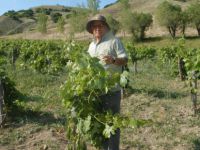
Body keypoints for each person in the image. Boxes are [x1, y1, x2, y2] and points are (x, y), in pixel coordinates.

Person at [86, 14, 128, 150]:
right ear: (92, 29)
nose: (97, 28)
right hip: (95, 93)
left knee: (113, 124)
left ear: (105, 27)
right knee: (100, 124)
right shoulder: (91, 46)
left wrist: (114, 60)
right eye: (95, 26)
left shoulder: (114, 41)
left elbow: (125, 59)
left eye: (100, 25)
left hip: (112, 91)